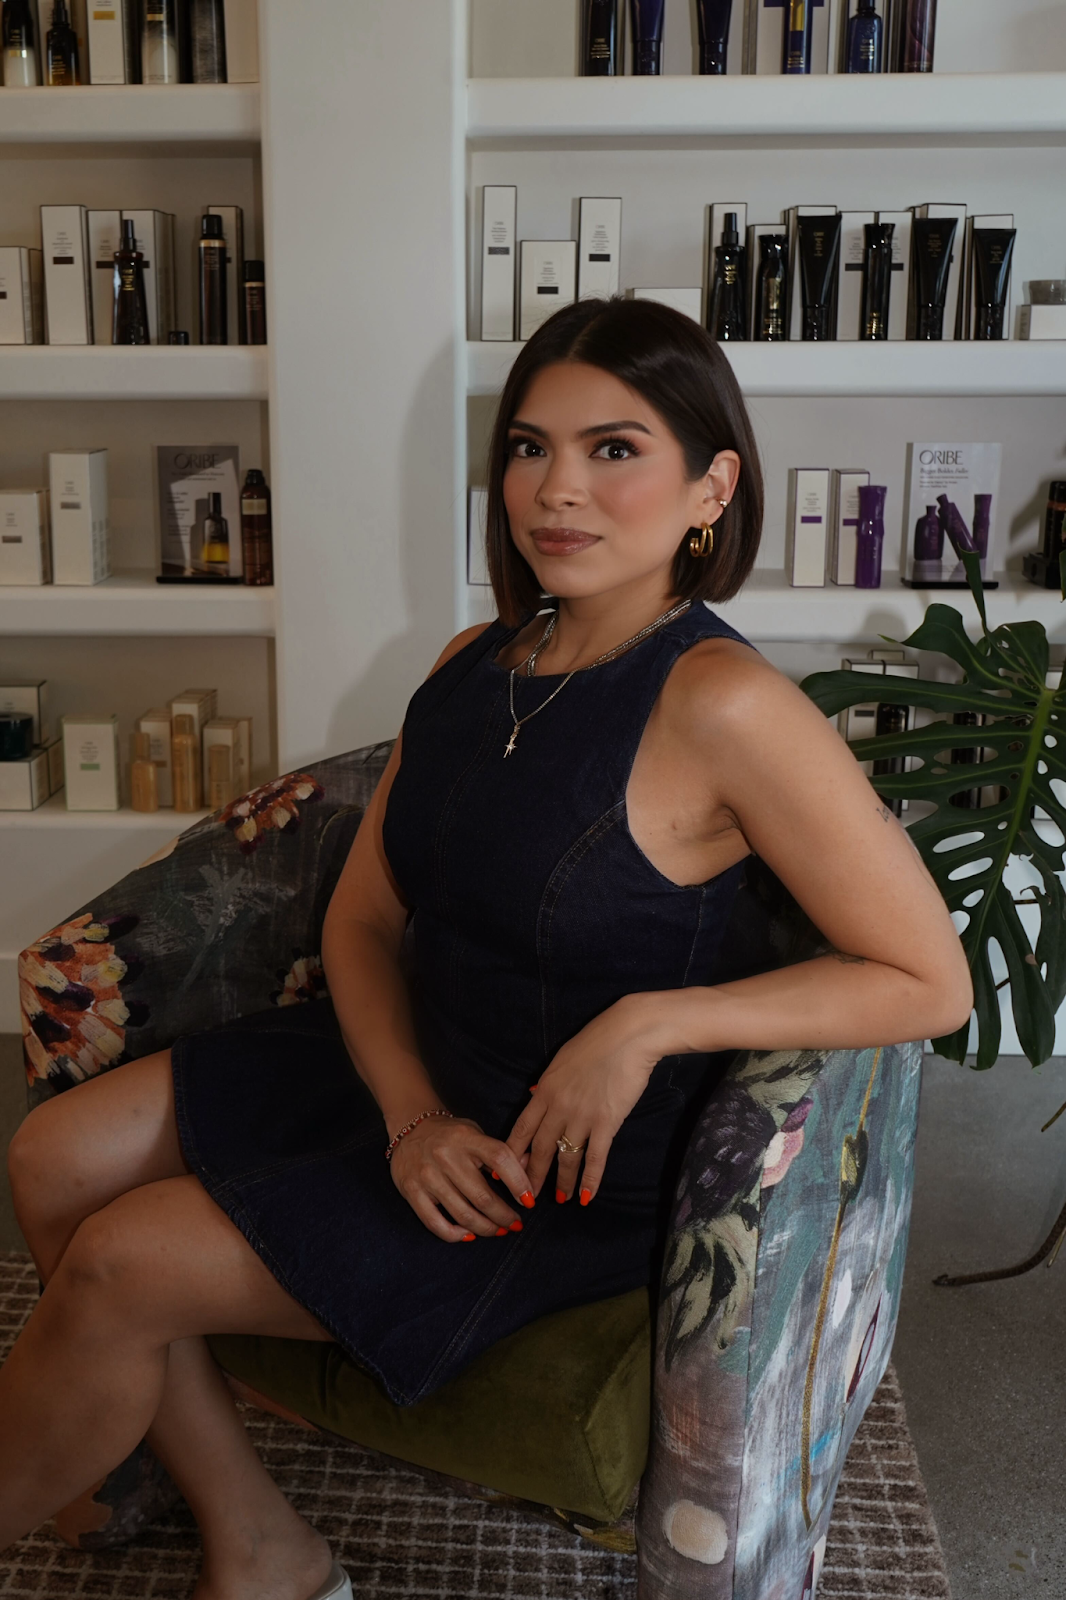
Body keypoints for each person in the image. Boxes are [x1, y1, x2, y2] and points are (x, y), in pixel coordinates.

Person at [3, 298, 972, 1600]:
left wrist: (649, 1024)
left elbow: (929, 980)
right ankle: (262, 1544)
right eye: (529, 446)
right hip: (408, 1076)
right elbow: (361, 919)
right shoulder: (476, 662)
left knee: (122, 1265)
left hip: (546, 1168)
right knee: (49, 1157)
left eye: (614, 449)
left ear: (712, 487)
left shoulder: (727, 705)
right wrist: (408, 1111)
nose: (556, 488)